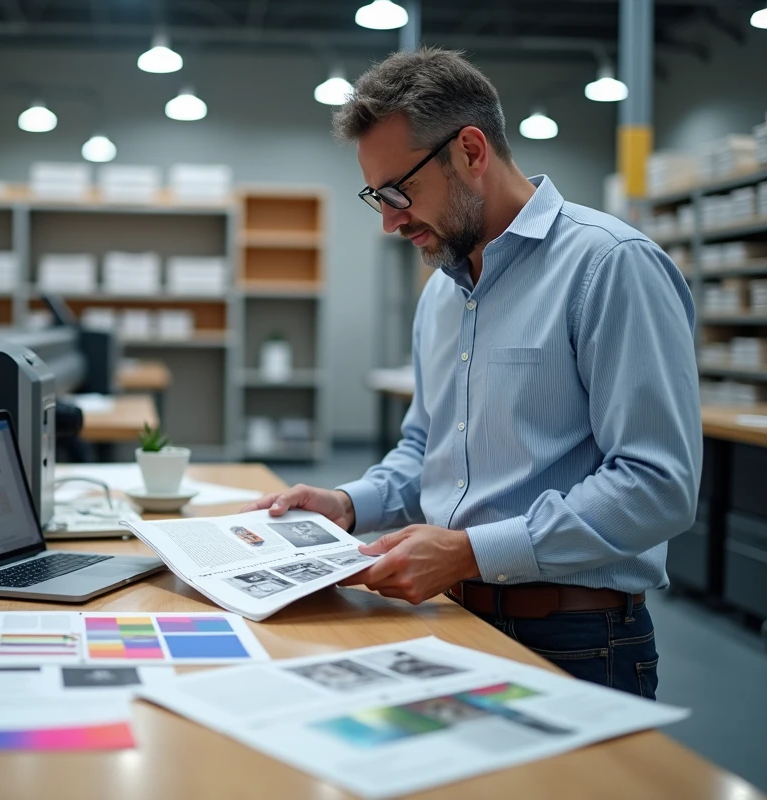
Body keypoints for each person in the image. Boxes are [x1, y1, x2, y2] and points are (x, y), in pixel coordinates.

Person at [243, 48, 700, 700]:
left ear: (471, 152)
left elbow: (657, 485)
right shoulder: (443, 292)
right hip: (450, 616)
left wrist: (471, 552)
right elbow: (428, 452)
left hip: (574, 638)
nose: (389, 220)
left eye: (398, 191)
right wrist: (348, 504)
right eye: (376, 197)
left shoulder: (610, 267)